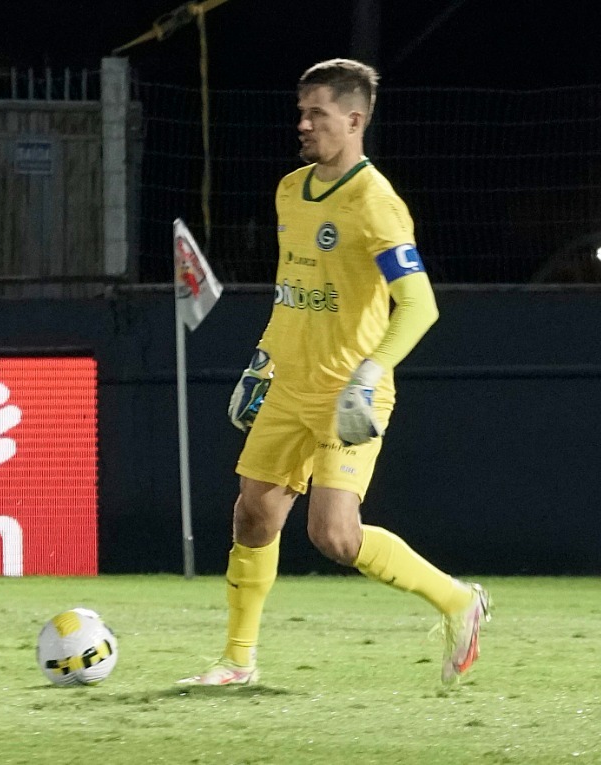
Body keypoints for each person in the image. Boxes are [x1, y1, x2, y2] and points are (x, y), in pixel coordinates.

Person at [178, 58, 490, 687]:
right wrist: (261, 362)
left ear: (353, 119)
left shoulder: (377, 204)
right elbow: (292, 290)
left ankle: (460, 601)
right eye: (301, 112)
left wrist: (372, 372)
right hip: (287, 382)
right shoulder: (290, 190)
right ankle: (238, 662)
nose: (303, 124)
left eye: (316, 113)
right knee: (253, 515)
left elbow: (421, 305)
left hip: (348, 391)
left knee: (334, 536)